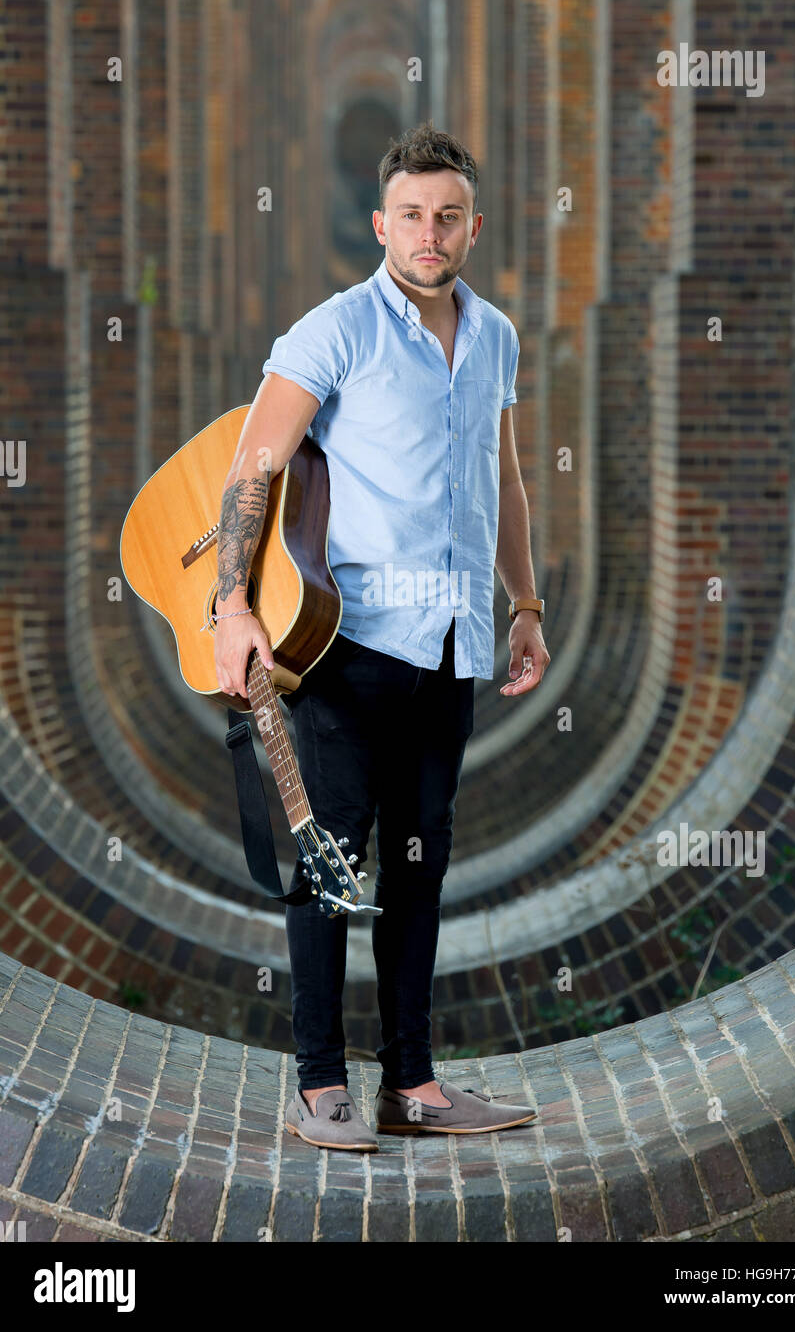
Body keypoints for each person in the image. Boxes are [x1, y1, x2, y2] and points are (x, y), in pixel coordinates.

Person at [214, 121, 550, 1151]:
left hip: (451, 647)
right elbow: (251, 468)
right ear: (381, 224)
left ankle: (412, 1080)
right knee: (326, 862)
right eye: (410, 214)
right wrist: (232, 606)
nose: (429, 231)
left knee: (420, 864)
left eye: (447, 215)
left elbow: (504, 478)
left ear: (472, 226)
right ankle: (320, 1082)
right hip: (347, 646)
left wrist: (526, 606)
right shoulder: (335, 330)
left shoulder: (493, 337)